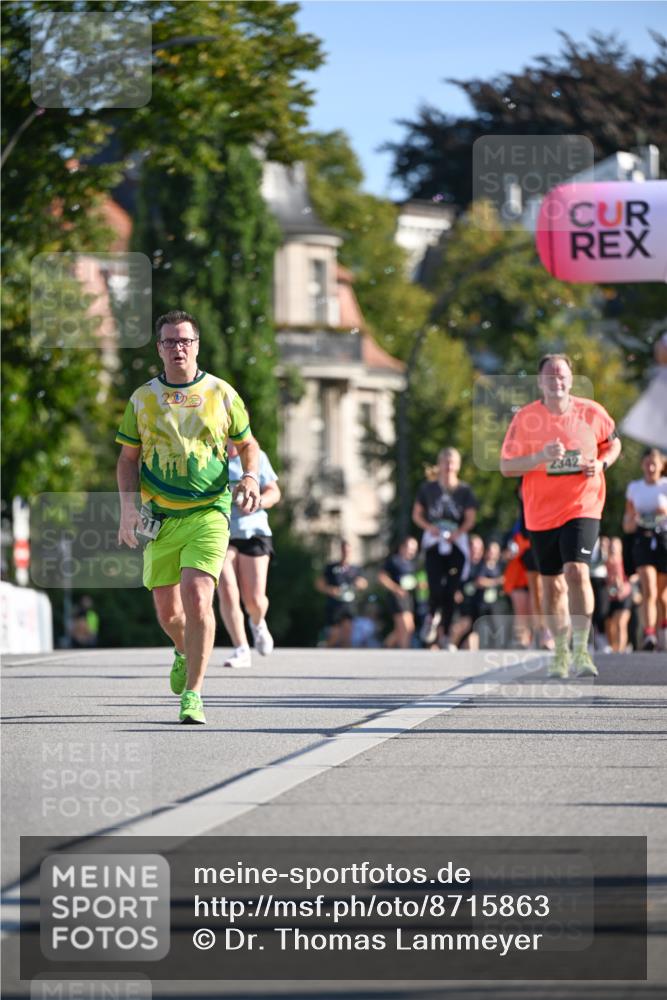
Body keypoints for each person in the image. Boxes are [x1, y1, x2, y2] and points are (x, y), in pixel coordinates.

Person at [116, 309, 260, 725]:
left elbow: (248, 444)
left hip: (209, 513)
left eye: (185, 341)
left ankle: (193, 694)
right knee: (168, 613)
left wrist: (249, 476)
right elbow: (127, 459)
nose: (178, 348)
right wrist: (127, 506)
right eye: (170, 342)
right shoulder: (142, 399)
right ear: (158, 349)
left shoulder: (222, 394)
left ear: (197, 345)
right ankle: (183, 648)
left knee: (199, 598)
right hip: (159, 517)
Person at [500, 353, 622, 678]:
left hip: (583, 504)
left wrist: (602, 464)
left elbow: (613, 444)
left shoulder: (591, 412)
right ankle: (560, 650)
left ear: (571, 379)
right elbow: (507, 466)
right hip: (541, 514)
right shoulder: (526, 419)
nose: (558, 381)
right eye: (551, 376)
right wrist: (541, 456)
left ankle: (582, 649)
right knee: (552, 586)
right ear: (540, 382)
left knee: (577, 571)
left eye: (563, 375)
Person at [216, 442, 281, 668]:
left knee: (254, 600)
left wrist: (257, 501)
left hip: (254, 530)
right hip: (221, 531)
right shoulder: (211, 456)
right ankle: (241, 648)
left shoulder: (255, 455)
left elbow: (274, 492)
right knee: (226, 589)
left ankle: (258, 622)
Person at [412, 447, 478, 650]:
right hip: (434, 542)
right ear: (439, 465)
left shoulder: (464, 491)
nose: (448, 466)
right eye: (445, 462)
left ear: (457, 465)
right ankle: (432, 616)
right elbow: (416, 515)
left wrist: (458, 533)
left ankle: (448, 634)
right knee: (435, 585)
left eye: (452, 462)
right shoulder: (428, 489)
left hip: (456, 544)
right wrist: (430, 528)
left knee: (451, 589)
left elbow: (470, 518)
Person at [622, 447, 667, 651]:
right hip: (643, 539)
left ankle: (662, 629)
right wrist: (635, 518)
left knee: (663, 595)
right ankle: (649, 634)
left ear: (661, 465)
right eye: (647, 463)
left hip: (664, 539)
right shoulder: (634, 488)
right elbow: (627, 524)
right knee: (648, 589)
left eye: (654, 463)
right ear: (642, 465)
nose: (650, 467)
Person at [315, 539, 368, 648]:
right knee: (335, 634)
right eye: (344, 550)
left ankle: (346, 659)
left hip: (349, 604)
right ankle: (325, 650)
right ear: (341, 551)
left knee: (347, 633)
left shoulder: (355, 569)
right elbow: (319, 584)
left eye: (348, 551)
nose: (346, 553)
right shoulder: (331, 567)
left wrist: (360, 584)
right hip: (334, 604)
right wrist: (330, 590)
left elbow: (364, 583)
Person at [378, 536, 419, 649]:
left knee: (408, 627)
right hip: (396, 597)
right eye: (410, 548)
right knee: (405, 627)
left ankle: (385, 646)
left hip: (407, 598)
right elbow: (382, 577)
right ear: (402, 548)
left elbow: (410, 581)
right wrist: (396, 589)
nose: (412, 552)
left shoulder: (412, 564)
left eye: (414, 549)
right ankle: (404, 651)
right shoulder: (394, 560)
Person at [604, 537, 633, 653]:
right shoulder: (605, 563)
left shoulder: (626, 560)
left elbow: (634, 576)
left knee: (621, 622)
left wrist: (626, 586)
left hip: (625, 594)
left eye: (616, 546)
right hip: (611, 596)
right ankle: (615, 649)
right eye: (611, 546)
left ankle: (621, 650)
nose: (613, 548)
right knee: (611, 624)